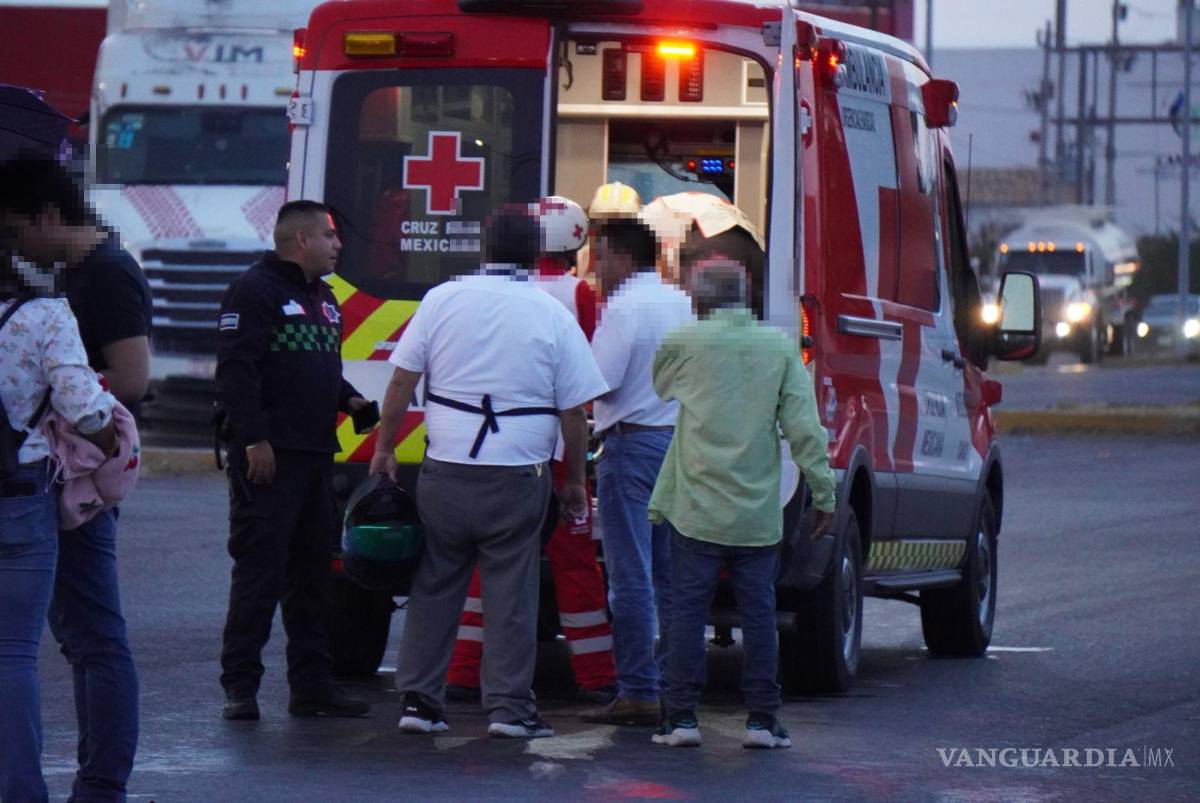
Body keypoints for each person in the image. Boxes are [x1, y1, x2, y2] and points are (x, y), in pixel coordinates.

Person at [369, 205, 608, 739]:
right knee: (511, 593)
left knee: (434, 586)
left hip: (445, 469)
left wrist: (385, 448)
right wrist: (572, 483)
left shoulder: (442, 299)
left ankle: (420, 704)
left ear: (483, 250)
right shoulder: (551, 314)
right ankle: (508, 710)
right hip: (518, 474)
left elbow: (402, 381)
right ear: (536, 255)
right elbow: (574, 411)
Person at [0, 154, 148, 801]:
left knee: (92, 637)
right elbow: (87, 401)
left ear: (49, 216)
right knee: (49, 644)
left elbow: (134, 380)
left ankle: (100, 781)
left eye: (15, 225)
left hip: (71, 486)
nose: (14, 240)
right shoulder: (51, 295)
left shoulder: (108, 273)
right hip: (34, 483)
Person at [647, 260, 836, 750]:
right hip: (755, 514)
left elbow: (660, 387)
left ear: (699, 301)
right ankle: (762, 720)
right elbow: (804, 429)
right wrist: (823, 493)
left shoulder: (683, 342)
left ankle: (682, 718)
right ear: (747, 296)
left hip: (695, 507)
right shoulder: (778, 347)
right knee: (759, 615)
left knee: (686, 613)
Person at [445, 196, 616, 704]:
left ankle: (461, 672)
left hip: (499, 443)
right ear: (577, 241)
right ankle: (596, 678)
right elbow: (584, 380)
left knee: (487, 563)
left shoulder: (489, 292)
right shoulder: (578, 295)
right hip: (560, 446)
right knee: (575, 565)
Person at [216, 200, 372, 721]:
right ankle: (240, 687)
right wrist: (254, 440)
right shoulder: (254, 291)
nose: (338, 245)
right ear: (301, 240)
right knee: (260, 573)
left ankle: (311, 685)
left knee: (312, 578)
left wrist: (347, 399)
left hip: (314, 457)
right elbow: (237, 371)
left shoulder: (324, 299)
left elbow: (319, 368)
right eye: (330, 236)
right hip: (270, 459)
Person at [0, 256, 117, 803]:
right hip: (18, 494)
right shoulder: (44, 315)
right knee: (12, 653)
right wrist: (111, 441)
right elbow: (84, 408)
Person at [580, 217, 695, 727]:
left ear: (622, 257)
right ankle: (674, 687)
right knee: (672, 577)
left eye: (599, 255)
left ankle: (638, 691)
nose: (594, 267)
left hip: (630, 448)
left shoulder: (624, 309)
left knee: (631, 576)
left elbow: (597, 382)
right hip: (680, 447)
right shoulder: (683, 303)